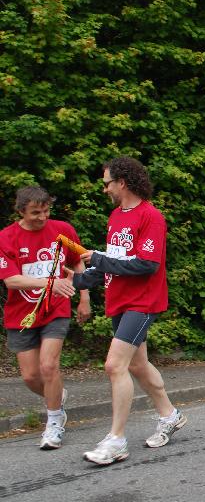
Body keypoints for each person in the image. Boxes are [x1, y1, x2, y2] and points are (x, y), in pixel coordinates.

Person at [70, 157, 185, 464]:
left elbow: (147, 265)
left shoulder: (151, 217)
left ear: (122, 182)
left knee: (114, 365)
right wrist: (79, 279)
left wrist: (97, 259)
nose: (105, 188)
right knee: (137, 365)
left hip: (142, 301)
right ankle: (170, 415)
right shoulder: (116, 216)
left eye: (107, 183)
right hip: (119, 299)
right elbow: (114, 259)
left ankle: (116, 440)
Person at [0, 186, 91, 450]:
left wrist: (84, 297)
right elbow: (12, 280)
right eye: (35, 213)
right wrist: (51, 282)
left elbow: (78, 261)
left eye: (46, 211)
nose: (42, 217)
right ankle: (57, 397)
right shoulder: (6, 238)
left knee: (49, 366)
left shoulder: (63, 230)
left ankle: (54, 422)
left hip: (56, 309)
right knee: (30, 376)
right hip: (22, 315)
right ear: (20, 212)